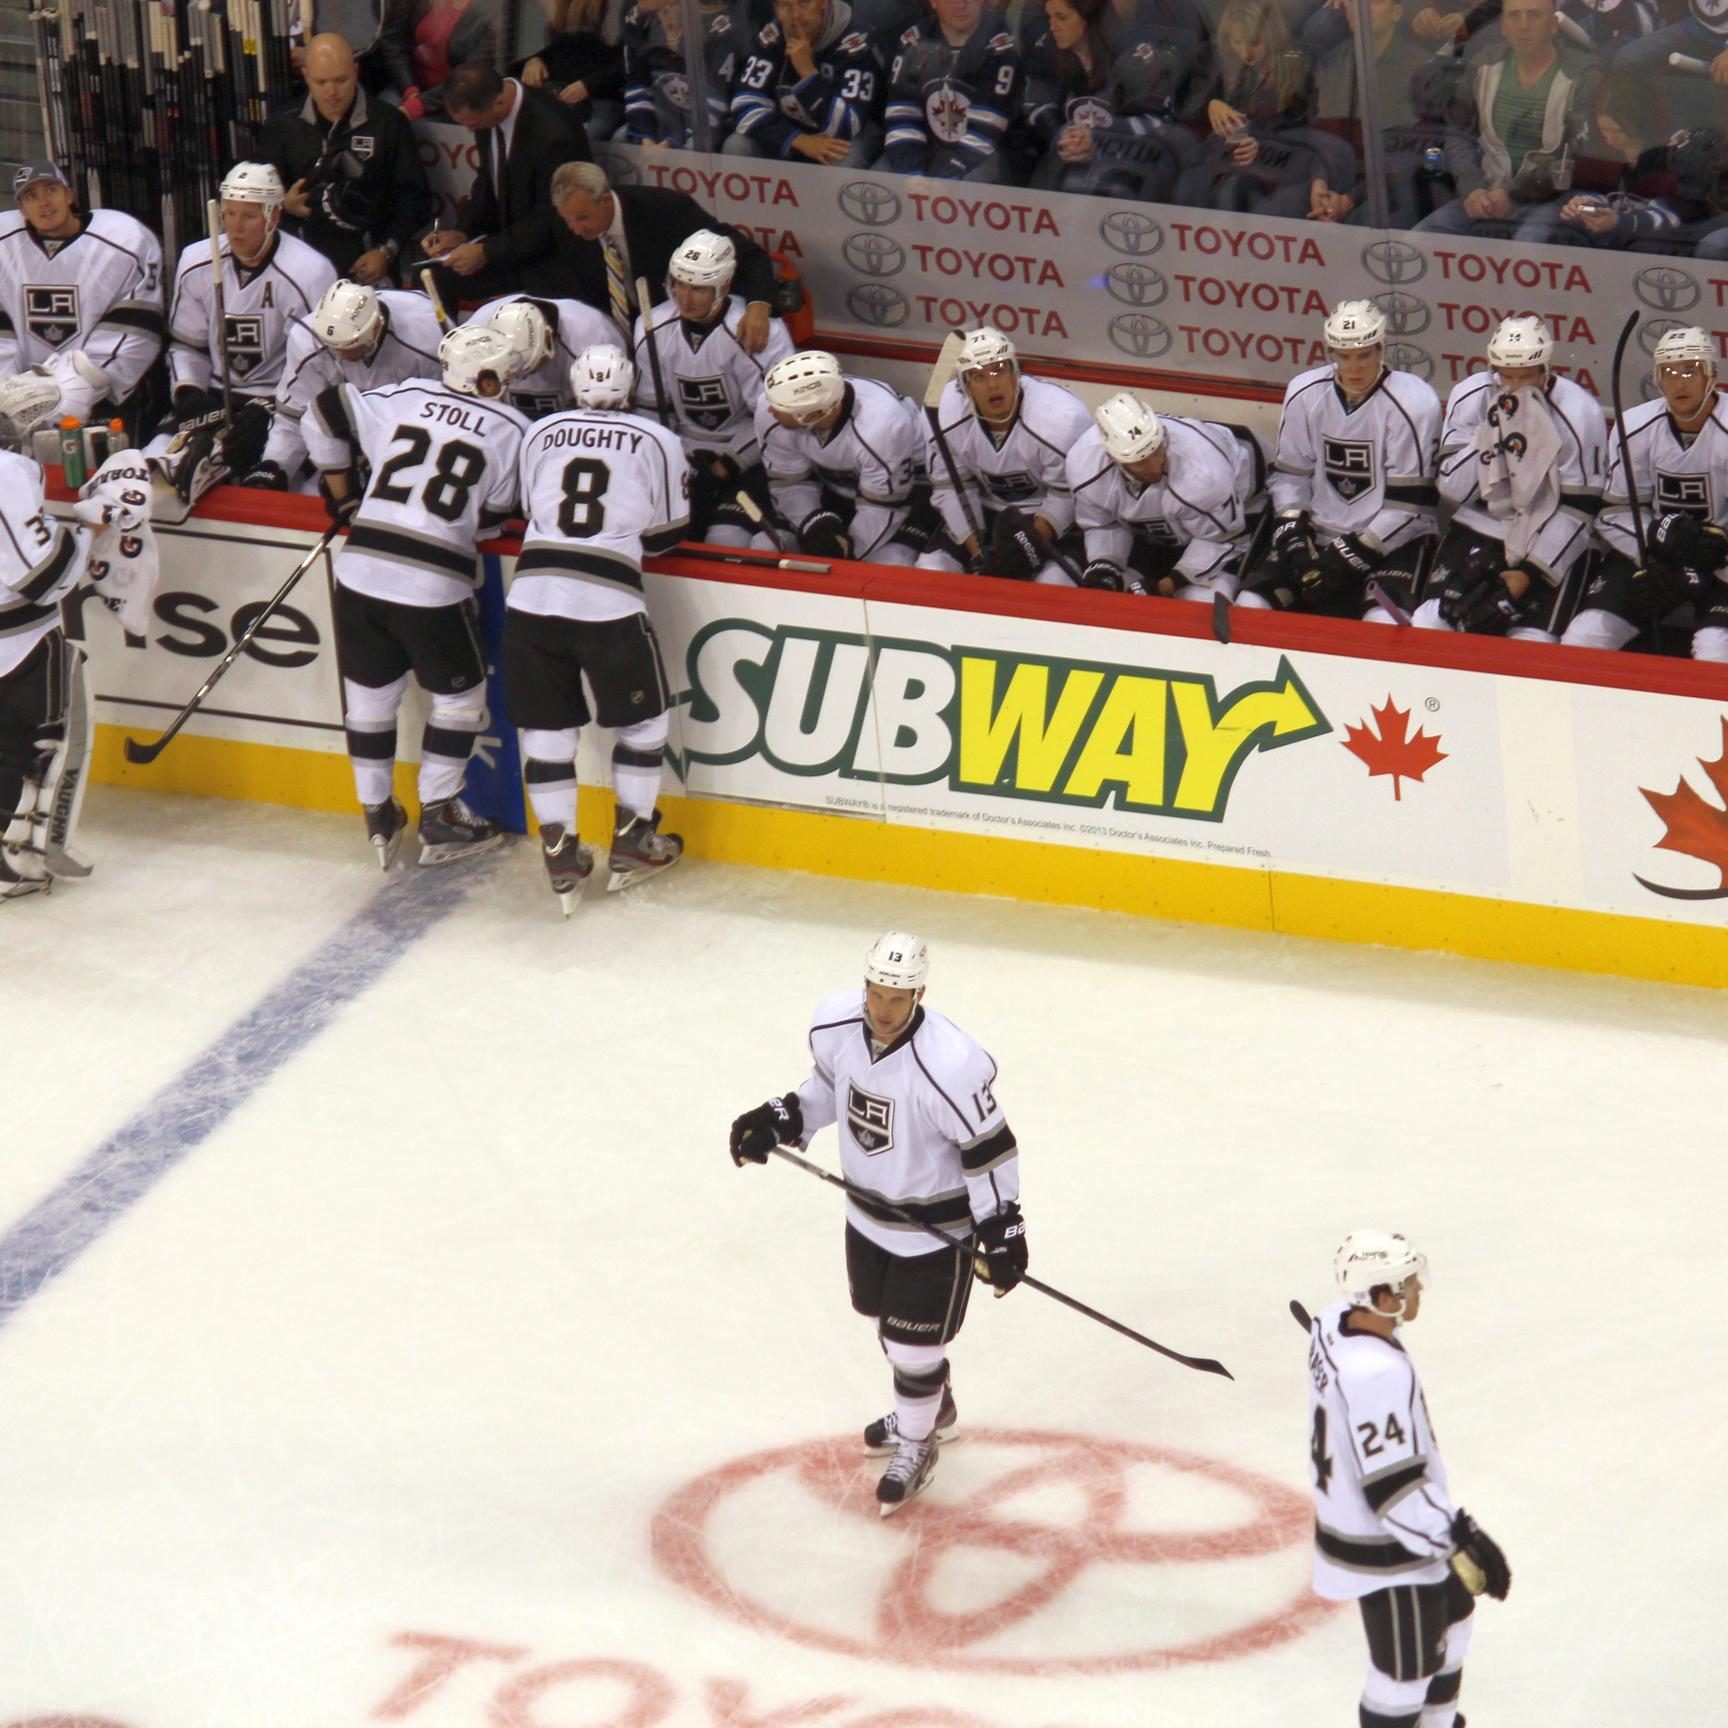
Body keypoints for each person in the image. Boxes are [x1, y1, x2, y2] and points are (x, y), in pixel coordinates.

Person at [729, 931, 1028, 1514]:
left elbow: (989, 1149)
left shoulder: (951, 1065)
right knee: (883, 1323)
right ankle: (933, 1404)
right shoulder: (837, 1025)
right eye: (876, 993)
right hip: (866, 1216)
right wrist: (784, 1118)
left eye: (898, 997)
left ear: (919, 994)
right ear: (864, 985)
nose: (884, 1009)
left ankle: (919, 1441)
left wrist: (1002, 1226)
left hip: (937, 1233)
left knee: (911, 1347)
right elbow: (828, 1090)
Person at [302, 323, 529, 867]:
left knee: (369, 697)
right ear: (493, 378)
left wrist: (344, 495)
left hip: (359, 571)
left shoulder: (404, 395)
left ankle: (377, 811)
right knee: (459, 699)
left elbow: (323, 410)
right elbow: (492, 520)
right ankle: (440, 812)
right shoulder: (514, 429)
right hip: (431, 583)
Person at [507, 343, 690, 907]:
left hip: (531, 596)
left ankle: (559, 850)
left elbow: (529, 508)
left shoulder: (540, 430)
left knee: (547, 734)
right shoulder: (657, 438)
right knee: (644, 726)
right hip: (608, 601)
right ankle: (633, 840)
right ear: (630, 388)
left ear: (573, 385)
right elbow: (668, 534)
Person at [1308, 1231, 1510, 1728]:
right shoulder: (1375, 1374)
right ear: (1382, 1296)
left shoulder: (1332, 1322)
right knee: (1405, 1672)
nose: (1418, 1289)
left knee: (1455, 1621)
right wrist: (1459, 1536)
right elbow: (1393, 1492)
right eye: (1408, 1283)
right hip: (1388, 1546)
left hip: (1403, 1529)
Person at [156, 163, 339, 509]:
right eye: (229, 214)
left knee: (269, 489)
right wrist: (190, 392)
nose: (235, 226)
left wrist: (270, 410)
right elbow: (187, 345)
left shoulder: (310, 272)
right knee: (158, 467)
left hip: (281, 405)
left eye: (249, 216)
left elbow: (316, 369)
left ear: (273, 217)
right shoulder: (196, 260)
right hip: (214, 399)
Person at [1421, 316, 1605, 641]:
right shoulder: (1472, 395)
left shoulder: (1580, 411)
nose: (1516, 387)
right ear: (1493, 369)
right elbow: (1453, 488)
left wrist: (1529, 572)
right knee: (1431, 625)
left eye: (1527, 376)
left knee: (1532, 643)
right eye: (1507, 376)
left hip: (1547, 539)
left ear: (1545, 370)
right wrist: (1492, 432)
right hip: (1480, 525)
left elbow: (1580, 510)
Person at [1261, 299, 1440, 622]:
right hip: (1320, 534)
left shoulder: (1414, 402)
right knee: (1252, 604)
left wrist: (1352, 554)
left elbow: (1410, 505)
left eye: (1364, 355)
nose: (1354, 367)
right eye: (1344, 356)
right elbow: (1290, 475)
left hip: (1396, 542)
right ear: (1330, 352)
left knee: (1383, 624)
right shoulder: (1305, 392)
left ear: (1381, 349)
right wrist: (1293, 530)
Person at [1563, 326, 1728, 662]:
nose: (1679, 383)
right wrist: (1653, 544)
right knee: (1584, 637)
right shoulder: (1635, 427)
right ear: (1657, 379)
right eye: (1669, 372)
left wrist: (1710, 561)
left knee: (1715, 652)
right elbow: (1613, 513)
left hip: (1722, 562)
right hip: (1658, 554)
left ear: (1712, 375)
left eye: (1690, 370)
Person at [633, 229, 794, 547]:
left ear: (725, 285)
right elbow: (650, 409)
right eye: (679, 284)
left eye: (698, 289)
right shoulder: (651, 326)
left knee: (725, 539)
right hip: (685, 452)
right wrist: (665, 460)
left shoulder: (760, 332)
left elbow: (775, 419)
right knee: (655, 534)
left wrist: (729, 464)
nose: (684, 298)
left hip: (751, 455)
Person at [541, 160, 781, 357]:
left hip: (687, 332)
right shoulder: (567, 230)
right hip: (622, 345)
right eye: (568, 220)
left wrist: (758, 305)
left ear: (605, 200)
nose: (576, 229)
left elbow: (748, 255)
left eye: (582, 218)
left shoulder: (665, 209)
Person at [256, 32, 435, 284]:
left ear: (355, 71)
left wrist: (386, 251)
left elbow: (415, 199)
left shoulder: (388, 122)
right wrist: (283, 205)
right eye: (321, 82)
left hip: (367, 262)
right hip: (299, 265)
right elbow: (255, 197)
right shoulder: (281, 124)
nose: (332, 91)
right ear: (305, 75)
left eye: (341, 80)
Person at [919, 326, 1092, 584]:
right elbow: (952, 488)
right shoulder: (944, 413)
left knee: (1055, 583)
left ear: (1015, 374)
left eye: (999, 370)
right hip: (986, 512)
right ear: (965, 387)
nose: (992, 384)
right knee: (930, 569)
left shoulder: (1061, 419)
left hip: (1046, 518)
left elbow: (1069, 495)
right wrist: (979, 553)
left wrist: (1021, 551)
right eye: (978, 376)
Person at [0, 404, 90, 902]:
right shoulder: (6, 472)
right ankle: (13, 863)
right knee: (39, 745)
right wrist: (90, 530)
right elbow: (44, 577)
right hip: (18, 642)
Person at [0, 161, 164, 434]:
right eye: (31, 196)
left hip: (104, 401)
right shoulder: (5, 245)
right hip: (23, 406)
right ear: (22, 210)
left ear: (69, 195)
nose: (43, 202)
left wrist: (75, 387)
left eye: (50, 189)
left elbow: (136, 329)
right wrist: (9, 392)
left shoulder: (125, 241)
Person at [1416, 0, 1597, 240]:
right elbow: (1458, 133)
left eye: (1534, 15)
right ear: (1503, 26)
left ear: (1553, 24)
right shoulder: (1483, 63)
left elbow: (1574, 156)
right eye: (1514, 16)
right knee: (1421, 238)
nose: (1523, 25)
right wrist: (1472, 189)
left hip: (1552, 199)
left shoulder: (1582, 74)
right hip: (1486, 192)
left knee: (1526, 250)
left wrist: (1512, 194)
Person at [1067, 391, 1269, 603]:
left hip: (1236, 510)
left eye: (1156, 451)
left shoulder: (1204, 473)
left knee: (1201, 601)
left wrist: (1165, 586)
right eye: (1140, 461)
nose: (1154, 467)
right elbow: (1104, 524)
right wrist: (1105, 566)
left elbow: (1224, 538)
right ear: (1112, 457)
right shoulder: (1085, 466)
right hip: (1164, 525)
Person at [419, 61, 591, 301]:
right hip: (509, 241)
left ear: (498, 102)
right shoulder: (487, 113)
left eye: (474, 124)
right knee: (433, 274)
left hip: (551, 255)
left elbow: (552, 215)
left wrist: (487, 252)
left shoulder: (555, 134)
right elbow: (487, 182)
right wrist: (462, 233)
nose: (471, 131)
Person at [248, 279, 446, 489]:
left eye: (348, 346)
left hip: (412, 437)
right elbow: (294, 417)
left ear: (375, 328)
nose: (340, 356)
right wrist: (275, 465)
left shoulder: (429, 339)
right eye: (333, 347)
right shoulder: (307, 338)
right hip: (337, 435)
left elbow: (442, 417)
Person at [754, 349, 924, 563]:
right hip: (835, 488)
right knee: (764, 545)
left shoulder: (883, 426)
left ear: (814, 414)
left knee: (891, 560)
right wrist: (812, 523)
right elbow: (790, 482)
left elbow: (884, 506)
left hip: (910, 493)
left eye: (781, 406)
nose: (770, 409)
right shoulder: (769, 409)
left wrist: (846, 549)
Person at [1019, 0, 1196, 200]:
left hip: (1136, 158)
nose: (1052, 27)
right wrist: (1065, 137)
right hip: (1075, 157)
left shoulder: (1134, 56)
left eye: (1062, 17)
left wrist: (1098, 138)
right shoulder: (1048, 49)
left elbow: (1158, 122)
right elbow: (1038, 104)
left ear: (1087, 19)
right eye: (1049, 17)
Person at [1181, 0, 1341, 219]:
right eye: (1237, 42)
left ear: (1271, 37)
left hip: (1286, 167)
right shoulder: (1220, 65)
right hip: (1233, 165)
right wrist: (1210, 106)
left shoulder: (1298, 67)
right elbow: (1185, 111)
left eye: (1254, 43)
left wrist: (1260, 139)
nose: (1245, 52)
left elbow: (1307, 130)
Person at [725, 0, 884, 166]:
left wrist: (807, 73)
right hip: (791, 131)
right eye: (785, 6)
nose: (796, 15)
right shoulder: (774, 33)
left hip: (849, 134)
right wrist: (797, 139)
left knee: (840, 156)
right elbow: (743, 103)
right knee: (737, 145)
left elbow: (847, 125)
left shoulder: (855, 41)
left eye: (804, 3)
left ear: (823, 3)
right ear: (776, 10)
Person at [881, 0, 1024, 181]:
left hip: (983, 155)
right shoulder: (914, 41)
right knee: (881, 181)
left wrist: (945, 178)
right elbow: (902, 114)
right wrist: (911, 172)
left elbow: (986, 130)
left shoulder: (1001, 47)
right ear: (934, 2)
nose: (961, 5)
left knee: (967, 185)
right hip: (925, 150)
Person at [466, 292, 616, 418]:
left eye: (526, 367)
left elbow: (607, 418)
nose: (517, 376)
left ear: (549, 342)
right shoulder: (474, 334)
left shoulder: (595, 340)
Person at [620, 0, 746, 149]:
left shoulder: (719, 28)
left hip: (704, 129)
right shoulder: (640, 26)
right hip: (661, 124)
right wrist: (645, 136)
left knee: (696, 147)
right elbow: (637, 86)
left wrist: (673, 142)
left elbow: (716, 101)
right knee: (621, 138)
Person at [517, 0, 628, 138]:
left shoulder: (613, 24)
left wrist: (588, 85)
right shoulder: (560, 36)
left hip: (602, 103)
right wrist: (533, 61)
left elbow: (628, 64)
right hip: (568, 104)